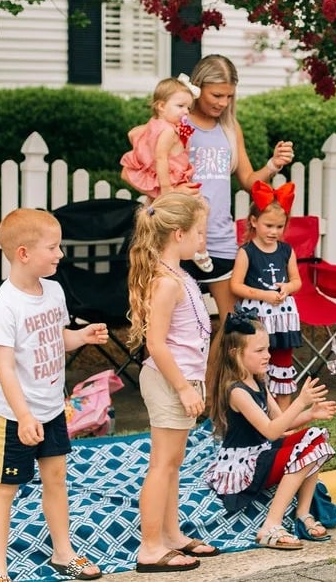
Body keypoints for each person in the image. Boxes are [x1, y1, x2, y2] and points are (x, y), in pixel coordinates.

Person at [0, 208, 107, 582]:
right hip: (15, 415)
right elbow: (4, 367)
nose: (60, 255)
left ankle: (63, 552)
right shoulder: (5, 306)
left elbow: (56, 338)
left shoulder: (52, 291)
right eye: (53, 248)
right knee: (5, 488)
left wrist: (80, 337)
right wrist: (23, 416)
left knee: (56, 479)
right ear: (23, 253)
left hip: (52, 409)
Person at [126, 193, 219, 574]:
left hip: (182, 379)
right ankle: (150, 546)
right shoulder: (166, 283)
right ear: (178, 233)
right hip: (169, 381)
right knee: (162, 464)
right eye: (200, 232)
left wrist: (195, 384)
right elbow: (156, 344)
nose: (203, 239)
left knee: (173, 463)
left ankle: (171, 533)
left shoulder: (180, 275)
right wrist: (183, 387)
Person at [181, 54, 295, 353]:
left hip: (219, 238)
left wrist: (273, 164)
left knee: (231, 322)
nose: (222, 102)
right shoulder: (178, 124)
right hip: (179, 238)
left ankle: (212, 384)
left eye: (229, 96)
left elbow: (248, 179)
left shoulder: (230, 129)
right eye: (216, 95)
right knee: (184, 321)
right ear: (197, 87)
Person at [204, 312, 336, 550]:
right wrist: (300, 402)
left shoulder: (258, 382)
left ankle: (302, 513)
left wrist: (310, 414)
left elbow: (281, 422)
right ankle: (270, 526)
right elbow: (271, 431)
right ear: (235, 353)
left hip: (261, 453)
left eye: (267, 349)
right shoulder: (236, 391)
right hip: (244, 464)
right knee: (305, 450)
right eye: (259, 351)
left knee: (315, 437)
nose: (267, 356)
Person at [230, 181, 302, 410]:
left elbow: (296, 280)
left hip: (283, 319)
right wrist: (265, 295)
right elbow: (236, 286)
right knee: (258, 363)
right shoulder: (247, 252)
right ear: (254, 221)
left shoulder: (286, 250)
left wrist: (287, 289)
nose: (274, 232)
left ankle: (283, 418)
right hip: (259, 316)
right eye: (269, 225)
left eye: (279, 227)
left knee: (282, 364)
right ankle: (260, 414)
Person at [120, 76, 203, 200]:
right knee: (200, 208)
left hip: (162, 177)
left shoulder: (154, 123)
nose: (186, 111)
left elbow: (132, 133)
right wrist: (166, 189)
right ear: (161, 106)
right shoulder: (168, 131)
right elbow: (161, 158)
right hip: (168, 181)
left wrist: (145, 155)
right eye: (180, 106)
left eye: (188, 108)